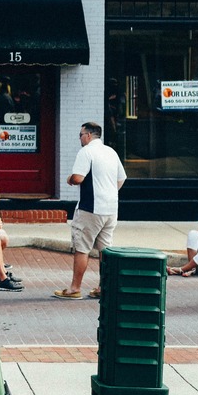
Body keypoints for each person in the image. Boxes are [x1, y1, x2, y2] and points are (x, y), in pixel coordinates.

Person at [54, 121, 127, 300]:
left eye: (80, 135)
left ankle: (74, 288)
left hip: (90, 207)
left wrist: (69, 179)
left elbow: (79, 177)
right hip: (111, 208)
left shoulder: (86, 151)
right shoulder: (111, 152)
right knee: (105, 251)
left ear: (88, 135)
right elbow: (121, 178)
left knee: (82, 248)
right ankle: (104, 287)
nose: (80, 138)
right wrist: (108, 191)